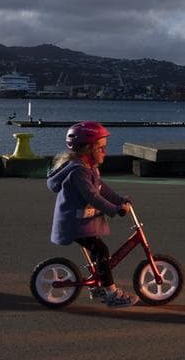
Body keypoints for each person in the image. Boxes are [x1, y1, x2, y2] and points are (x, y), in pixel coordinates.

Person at [47, 121, 138, 308]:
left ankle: (98, 286)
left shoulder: (89, 168)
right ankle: (111, 293)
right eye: (101, 148)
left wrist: (119, 199)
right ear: (87, 149)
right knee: (101, 251)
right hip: (74, 223)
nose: (105, 152)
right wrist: (115, 209)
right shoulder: (78, 171)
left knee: (98, 251)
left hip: (82, 220)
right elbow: (93, 196)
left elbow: (102, 188)